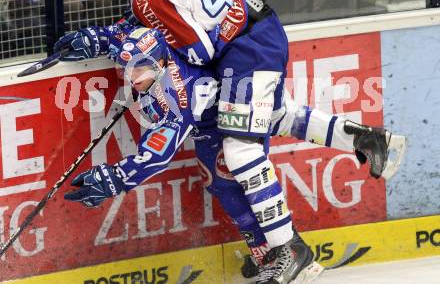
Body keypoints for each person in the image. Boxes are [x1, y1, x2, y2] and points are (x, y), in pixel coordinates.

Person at [57, 25, 405, 283]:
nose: (133, 77)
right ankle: (370, 141)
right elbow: (122, 35)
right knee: (285, 116)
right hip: (240, 84)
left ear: (161, 60)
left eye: (141, 69)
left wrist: (116, 177)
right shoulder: (150, 42)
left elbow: (157, 155)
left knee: (229, 181)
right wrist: (95, 40)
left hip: (221, 115)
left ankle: (281, 254)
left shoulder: (178, 96)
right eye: (129, 68)